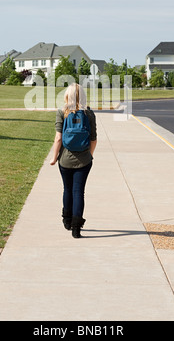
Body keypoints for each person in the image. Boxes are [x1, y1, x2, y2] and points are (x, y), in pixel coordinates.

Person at [50, 83, 97, 238]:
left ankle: (67, 220)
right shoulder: (89, 114)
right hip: (84, 160)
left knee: (67, 189)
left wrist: (54, 157)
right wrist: (89, 155)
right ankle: (77, 229)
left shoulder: (62, 112)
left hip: (65, 160)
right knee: (79, 192)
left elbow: (58, 138)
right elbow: (93, 139)